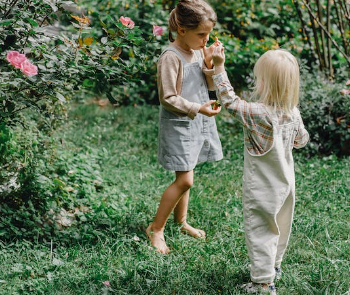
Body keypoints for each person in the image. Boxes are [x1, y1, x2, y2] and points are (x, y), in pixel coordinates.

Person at [212, 46, 309, 294]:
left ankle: (264, 283)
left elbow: (229, 101)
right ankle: (274, 266)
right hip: (286, 185)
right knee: (281, 225)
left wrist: (219, 67)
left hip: (263, 188)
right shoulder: (293, 113)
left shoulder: (258, 113)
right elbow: (301, 141)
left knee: (261, 230)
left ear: (264, 83)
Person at [146, 0, 223, 254]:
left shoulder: (199, 51)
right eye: (201, 34)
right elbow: (168, 98)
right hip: (180, 124)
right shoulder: (171, 57)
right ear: (182, 30)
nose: (206, 39)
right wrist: (197, 108)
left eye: (209, 34)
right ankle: (156, 229)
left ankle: (181, 222)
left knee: (187, 173)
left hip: (197, 123)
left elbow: (208, 85)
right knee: (186, 180)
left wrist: (212, 64)